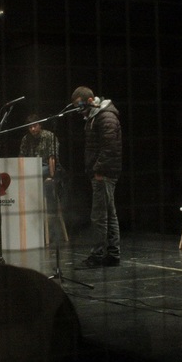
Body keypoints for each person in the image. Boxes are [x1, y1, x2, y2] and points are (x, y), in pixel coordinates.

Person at [71, 86, 122, 267]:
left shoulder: (105, 116)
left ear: (90, 101)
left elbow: (109, 147)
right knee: (109, 213)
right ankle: (113, 254)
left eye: (80, 105)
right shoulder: (95, 116)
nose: (79, 110)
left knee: (99, 215)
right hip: (103, 172)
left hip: (104, 173)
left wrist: (99, 170)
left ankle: (97, 256)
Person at [19, 113, 62, 236]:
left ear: (40, 125)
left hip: (47, 167)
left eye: (35, 126)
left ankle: (50, 219)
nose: (33, 129)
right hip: (31, 169)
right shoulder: (26, 139)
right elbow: (21, 157)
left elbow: (52, 158)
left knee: (40, 172)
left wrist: (51, 176)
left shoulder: (49, 136)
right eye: (30, 127)